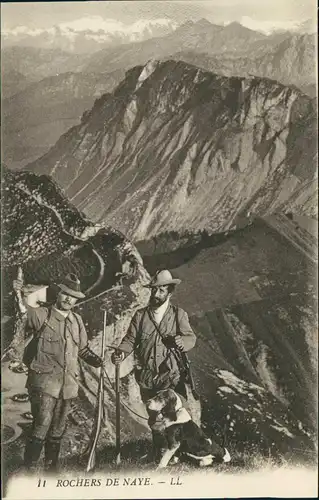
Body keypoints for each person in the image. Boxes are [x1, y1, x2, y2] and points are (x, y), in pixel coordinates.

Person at [10, 273, 104, 472]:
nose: (69, 299)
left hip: (67, 385)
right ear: (59, 293)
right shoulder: (41, 315)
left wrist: (97, 361)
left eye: (73, 296)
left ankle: (51, 469)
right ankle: (29, 467)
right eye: (65, 294)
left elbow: (83, 350)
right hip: (43, 382)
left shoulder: (77, 321)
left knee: (58, 429)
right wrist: (17, 293)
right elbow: (21, 315)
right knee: (41, 425)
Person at [111, 269, 196, 461]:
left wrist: (184, 342)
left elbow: (191, 337)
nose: (156, 294)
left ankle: (182, 454)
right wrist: (120, 353)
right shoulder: (141, 316)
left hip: (172, 377)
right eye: (154, 290)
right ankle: (161, 455)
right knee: (155, 418)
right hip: (148, 378)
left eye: (161, 290)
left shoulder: (178, 315)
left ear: (169, 292)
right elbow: (130, 339)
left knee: (178, 416)